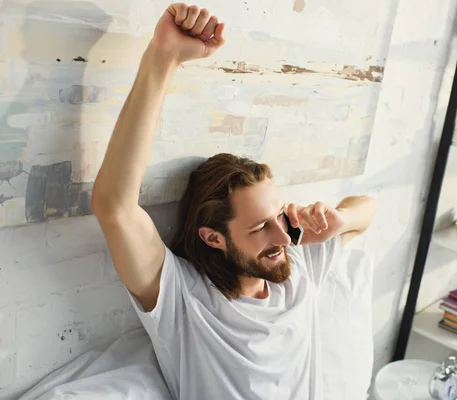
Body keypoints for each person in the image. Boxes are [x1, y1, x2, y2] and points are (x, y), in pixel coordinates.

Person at [91, 3, 378, 399]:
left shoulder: (297, 266)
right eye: (260, 226)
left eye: (279, 214)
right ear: (213, 238)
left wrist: (339, 220)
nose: (281, 233)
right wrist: (164, 57)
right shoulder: (185, 302)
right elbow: (114, 206)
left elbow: (368, 208)